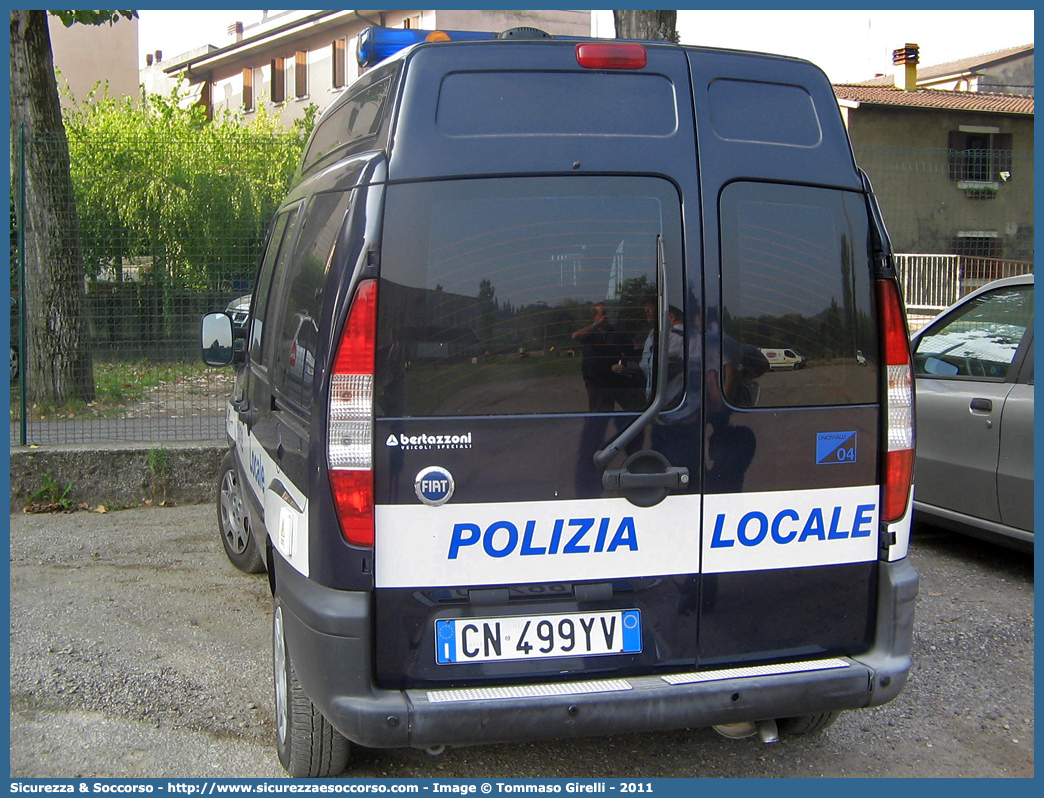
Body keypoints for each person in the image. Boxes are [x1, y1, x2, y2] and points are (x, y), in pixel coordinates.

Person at [572, 302, 632, 412]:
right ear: (594, 316)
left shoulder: (616, 332)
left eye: (608, 313)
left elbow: (628, 351)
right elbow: (575, 336)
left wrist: (622, 364)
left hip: (616, 379)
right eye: (603, 313)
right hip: (596, 380)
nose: (606, 316)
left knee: (631, 408)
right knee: (599, 413)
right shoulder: (589, 333)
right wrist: (597, 325)